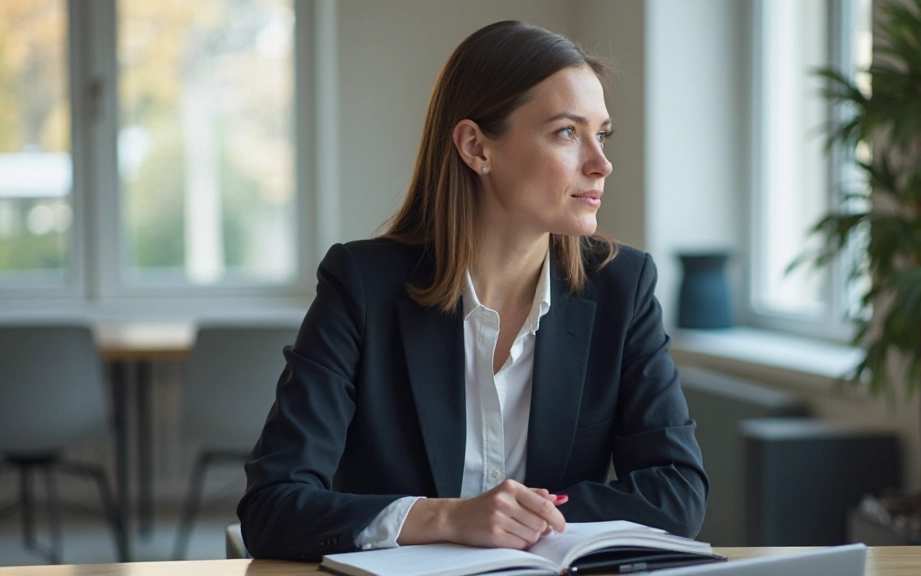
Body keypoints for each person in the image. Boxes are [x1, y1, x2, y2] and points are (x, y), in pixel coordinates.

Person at [237, 20, 708, 561]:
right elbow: (272, 506)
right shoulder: (361, 286)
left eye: (601, 134)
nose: (601, 163)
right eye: (566, 133)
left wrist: (521, 520)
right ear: (476, 146)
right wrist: (449, 517)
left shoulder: (622, 288)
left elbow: (678, 491)